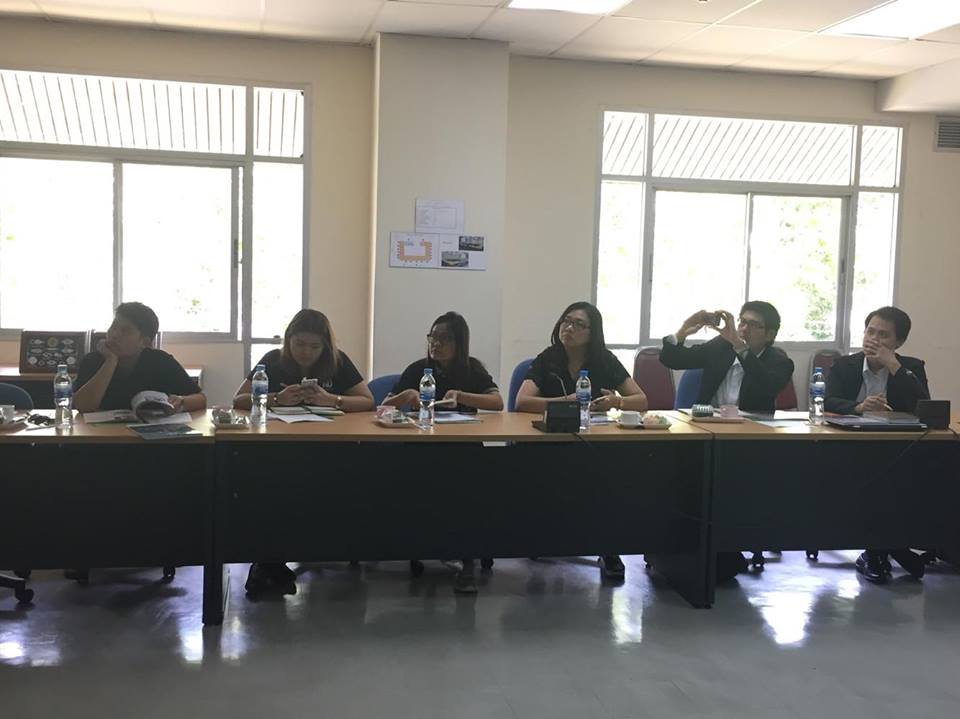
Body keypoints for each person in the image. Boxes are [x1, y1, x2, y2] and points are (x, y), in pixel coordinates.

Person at [234, 308, 374, 595]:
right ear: (288, 340)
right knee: (275, 486)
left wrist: (332, 399)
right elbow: (239, 399)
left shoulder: (338, 362)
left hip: (329, 449)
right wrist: (275, 398)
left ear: (325, 347)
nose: (306, 352)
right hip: (279, 448)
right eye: (299, 344)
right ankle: (269, 560)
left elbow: (367, 401)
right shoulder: (272, 360)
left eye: (314, 346)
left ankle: (280, 558)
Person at [515, 301, 648, 580]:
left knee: (612, 471)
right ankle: (539, 532)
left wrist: (617, 401)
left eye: (578, 324)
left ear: (592, 332)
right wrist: (566, 401)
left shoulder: (604, 360)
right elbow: (522, 401)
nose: (569, 327)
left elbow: (641, 400)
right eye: (566, 321)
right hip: (548, 440)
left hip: (594, 441)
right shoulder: (548, 358)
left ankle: (608, 546)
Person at [382, 311, 503, 594]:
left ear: (460, 343)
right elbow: (384, 406)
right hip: (421, 448)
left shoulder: (472, 369)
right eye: (432, 337)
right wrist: (405, 397)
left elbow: (497, 402)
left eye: (444, 338)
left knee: (466, 488)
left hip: (463, 449)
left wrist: (461, 396)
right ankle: (426, 543)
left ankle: (466, 557)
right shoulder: (418, 370)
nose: (435, 344)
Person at [825, 306, 930, 584]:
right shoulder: (845, 365)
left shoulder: (911, 367)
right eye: (870, 331)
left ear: (899, 342)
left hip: (897, 449)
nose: (874, 339)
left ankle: (884, 546)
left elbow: (924, 406)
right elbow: (828, 401)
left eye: (883, 335)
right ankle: (882, 548)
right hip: (848, 448)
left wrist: (893, 365)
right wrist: (859, 407)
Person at [660, 301, 794, 412]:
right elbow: (672, 360)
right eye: (742, 322)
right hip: (709, 426)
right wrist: (683, 331)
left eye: (753, 325)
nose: (744, 329)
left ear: (770, 335)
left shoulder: (780, 363)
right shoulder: (721, 347)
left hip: (752, 430)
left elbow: (766, 385)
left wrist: (739, 345)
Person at [74, 302, 206, 413]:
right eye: (114, 326)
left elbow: (201, 399)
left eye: (125, 331)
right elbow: (82, 406)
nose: (114, 334)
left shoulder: (160, 361)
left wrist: (182, 401)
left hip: (151, 434)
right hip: (102, 435)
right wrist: (110, 362)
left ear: (144, 342)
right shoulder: (92, 360)